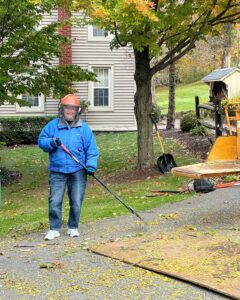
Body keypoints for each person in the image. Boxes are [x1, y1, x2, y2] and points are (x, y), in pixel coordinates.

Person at [38, 94, 99, 240]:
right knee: (54, 201)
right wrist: (51, 143)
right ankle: (54, 228)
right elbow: (41, 141)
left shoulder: (84, 129)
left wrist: (91, 165)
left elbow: (92, 150)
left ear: (77, 110)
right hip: (57, 171)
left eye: (73, 108)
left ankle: (73, 227)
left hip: (78, 171)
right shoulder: (53, 126)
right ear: (62, 109)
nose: (70, 111)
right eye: (67, 108)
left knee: (76, 201)